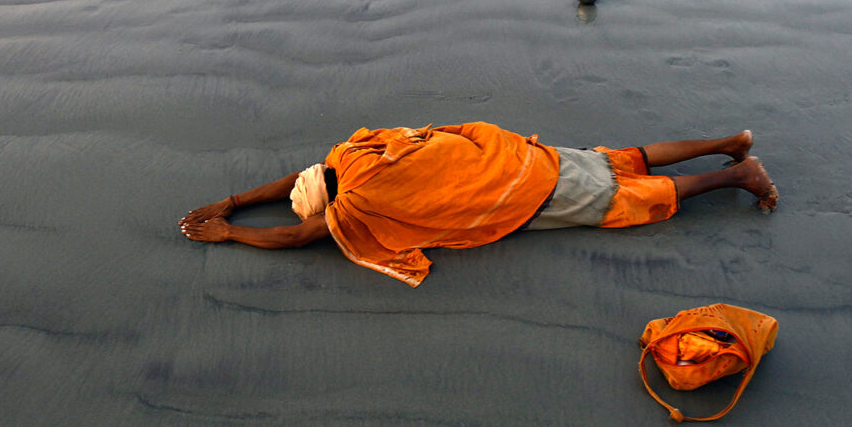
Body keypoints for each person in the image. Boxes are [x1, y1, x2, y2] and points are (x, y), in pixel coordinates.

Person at [180, 122, 777, 287]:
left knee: (623, 198)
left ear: (328, 203)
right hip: (516, 154)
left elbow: (298, 238)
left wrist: (229, 232)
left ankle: (738, 177)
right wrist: (232, 200)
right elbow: (302, 178)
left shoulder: (359, 201)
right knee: (619, 158)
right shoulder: (355, 152)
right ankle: (730, 142)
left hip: (518, 191)